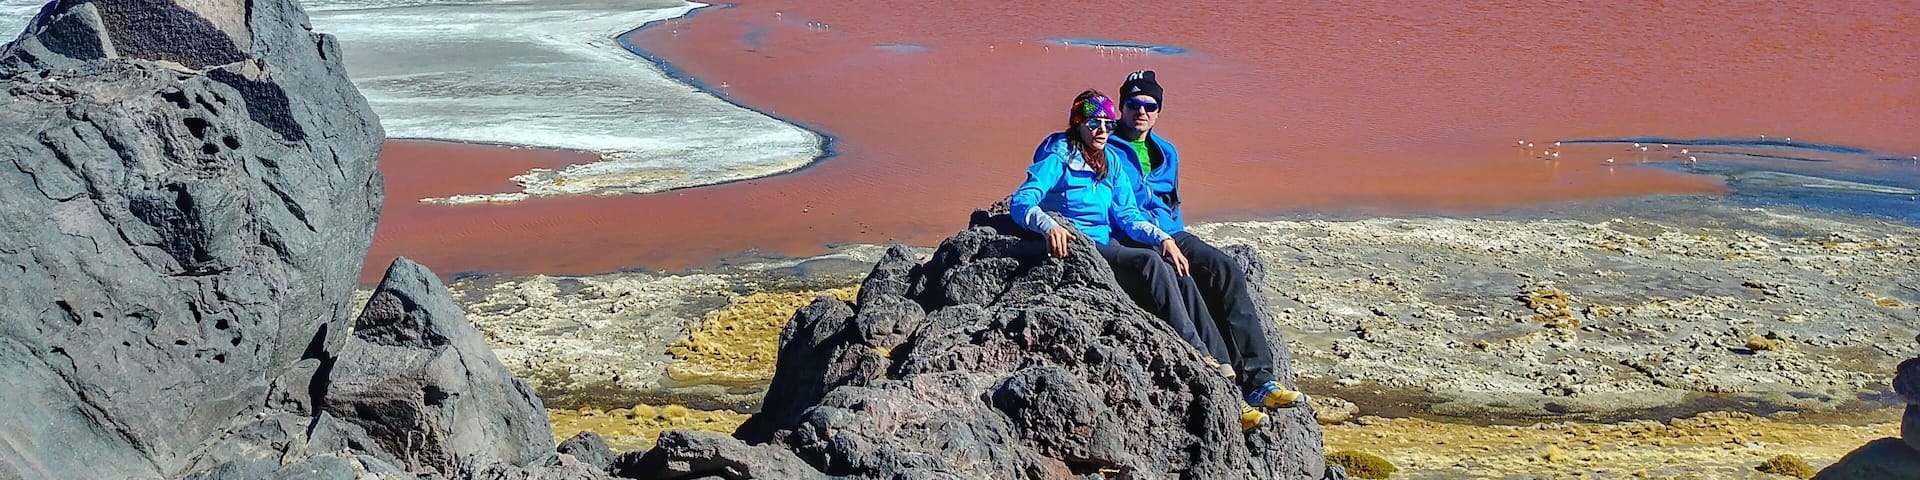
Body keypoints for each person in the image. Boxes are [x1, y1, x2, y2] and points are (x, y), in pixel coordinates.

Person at [1009, 89, 1269, 431]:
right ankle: (1196, 351)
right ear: (1078, 123)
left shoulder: (1109, 161)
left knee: (1177, 268)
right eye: (1094, 123)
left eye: (1106, 122)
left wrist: (1162, 238)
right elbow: (1022, 201)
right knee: (1150, 265)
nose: (1102, 130)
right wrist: (1048, 225)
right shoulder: (1059, 153)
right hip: (1081, 246)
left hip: (1107, 239)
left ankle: (1221, 362)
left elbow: (1128, 214)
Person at [1107, 70, 1308, 420]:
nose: (1141, 111)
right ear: (1121, 107)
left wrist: (1177, 239)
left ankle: (1261, 380)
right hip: (1135, 236)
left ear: (1158, 111)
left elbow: (1172, 202)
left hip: (1174, 232)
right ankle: (1227, 381)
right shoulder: (1106, 148)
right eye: (1133, 104)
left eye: (1149, 106)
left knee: (1225, 269)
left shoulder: (1167, 151)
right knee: (1183, 279)